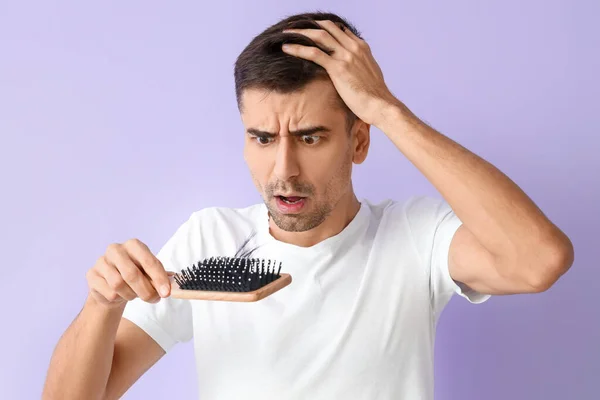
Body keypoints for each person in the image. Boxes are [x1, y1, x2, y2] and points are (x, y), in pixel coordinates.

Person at [42, 11, 574, 400]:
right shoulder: (210, 240)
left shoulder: (416, 237)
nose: (283, 172)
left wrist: (388, 110)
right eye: (263, 138)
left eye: (311, 137)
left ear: (359, 141)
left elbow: (538, 262)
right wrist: (100, 306)